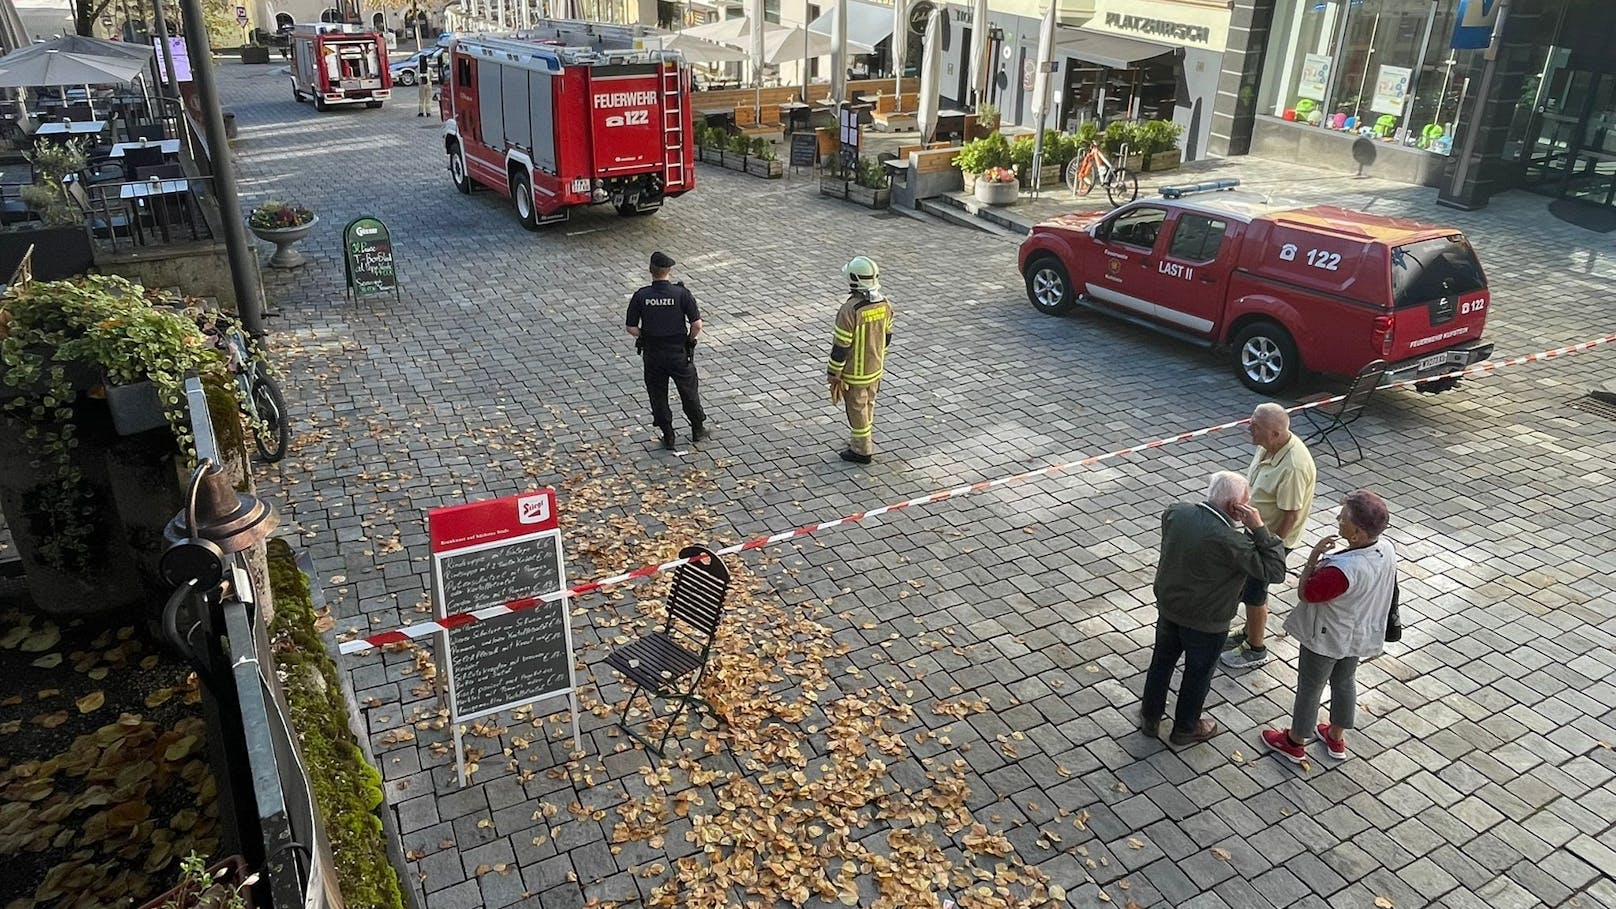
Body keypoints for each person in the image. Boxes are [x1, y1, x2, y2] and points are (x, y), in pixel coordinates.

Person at [1140, 471, 1287, 746]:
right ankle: (1185, 727)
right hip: (1207, 623)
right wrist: (1258, 528)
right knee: (1198, 674)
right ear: (1236, 507)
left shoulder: (1177, 512)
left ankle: (1150, 717)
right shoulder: (1234, 543)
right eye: (1248, 501)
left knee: (1161, 662)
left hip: (1169, 608)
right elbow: (1276, 571)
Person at [1261, 491, 1396, 763]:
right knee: (1345, 680)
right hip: (1358, 632)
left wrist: (1313, 559)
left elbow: (1306, 593)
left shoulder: (1341, 570)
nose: (1338, 518)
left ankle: (1295, 740)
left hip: (1327, 636)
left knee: (1310, 686)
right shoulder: (1386, 549)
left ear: (1357, 533)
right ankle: (1336, 736)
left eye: (1343, 517)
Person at [1222, 402, 1316, 670]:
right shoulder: (1269, 446)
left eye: (1256, 426)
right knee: (1250, 588)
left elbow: (1291, 515)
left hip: (1273, 539)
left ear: (1275, 433)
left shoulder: (1294, 467)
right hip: (1257, 531)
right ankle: (1250, 631)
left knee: (1254, 591)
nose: (1248, 428)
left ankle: (1255, 648)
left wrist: (1270, 548)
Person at [626, 251, 706, 450]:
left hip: (653, 355)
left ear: (650, 271)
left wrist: (645, 336)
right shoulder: (681, 294)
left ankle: (668, 434)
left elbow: (631, 327)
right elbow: (697, 324)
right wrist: (689, 340)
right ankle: (697, 428)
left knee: (657, 393)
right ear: (669, 270)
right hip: (678, 352)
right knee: (688, 391)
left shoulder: (641, 295)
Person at [826, 256, 894, 465]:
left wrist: (833, 373)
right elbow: (887, 336)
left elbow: (841, 347)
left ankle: (862, 449)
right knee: (869, 404)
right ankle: (863, 439)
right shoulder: (885, 304)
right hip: (876, 368)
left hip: (854, 373)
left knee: (856, 409)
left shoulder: (850, 310)